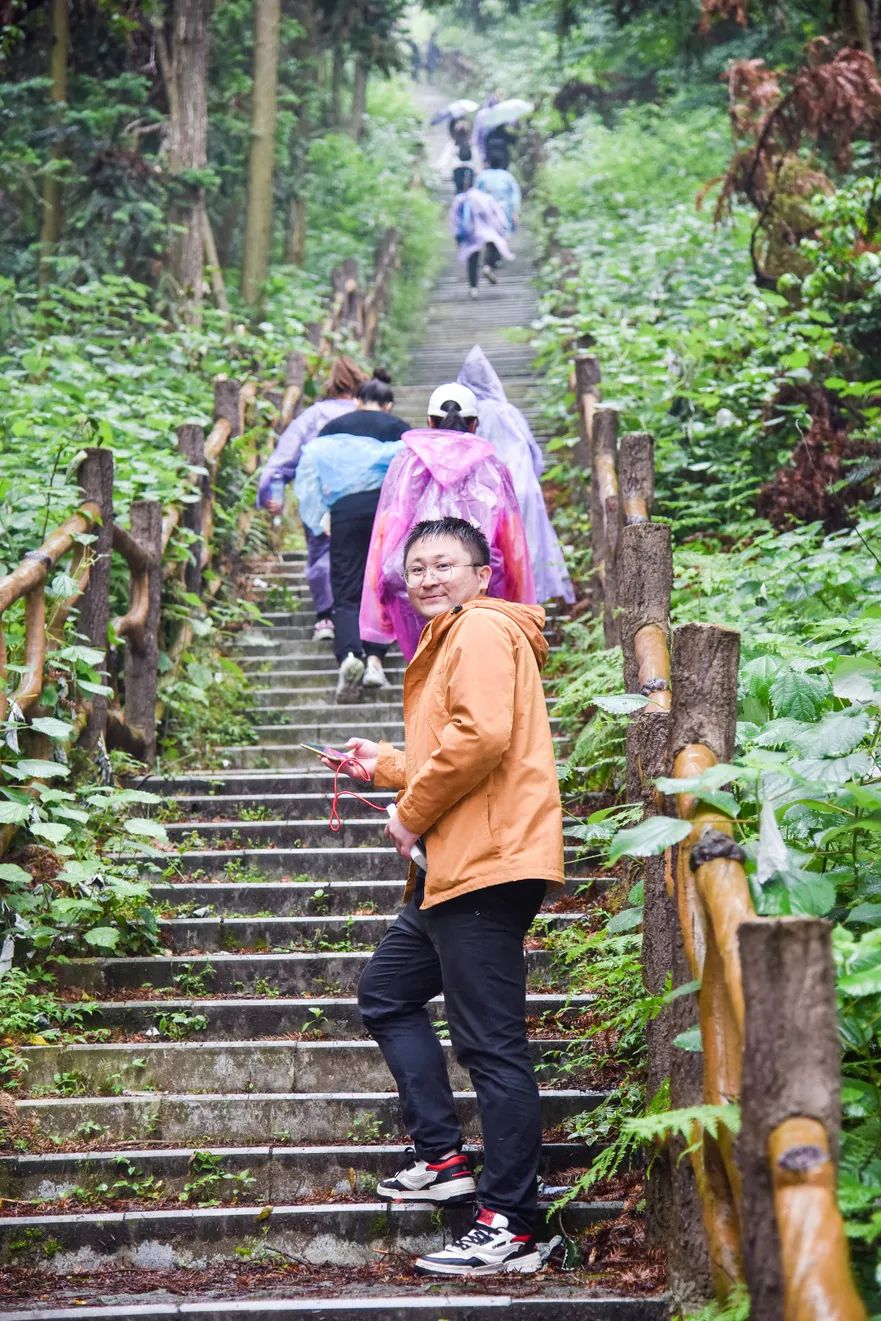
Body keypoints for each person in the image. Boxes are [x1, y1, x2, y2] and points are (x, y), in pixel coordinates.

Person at [333, 516, 564, 1277]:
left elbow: (481, 738)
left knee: (491, 1046)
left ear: (480, 573)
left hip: (487, 862)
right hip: (454, 868)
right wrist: (384, 764)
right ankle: (441, 1158)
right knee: (387, 994)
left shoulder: (480, 629)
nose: (428, 578)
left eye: (444, 564)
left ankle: (514, 1224)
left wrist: (409, 812)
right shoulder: (453, 637)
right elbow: (453, 745)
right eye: (417, 568)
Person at [359, 383, 535, 662]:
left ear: (430, 422)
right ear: (475, 424)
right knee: (474, 667)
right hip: (478, 585)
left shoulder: (405, 463)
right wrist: (517, 600)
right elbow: (512, 543)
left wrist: (379, 592)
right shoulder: (493, 467)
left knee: (428, 670)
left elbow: (386, 531)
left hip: (419, 586)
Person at [294, 371, 410, 701]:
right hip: (385, 513)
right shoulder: (399, 429)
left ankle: (348, 655)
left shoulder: (332, 429)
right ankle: (374, 660)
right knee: (382, 584)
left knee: (346, 589)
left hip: (344, 511)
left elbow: (310, 472)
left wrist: (320, 516)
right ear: (388, 405)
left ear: (357, 401)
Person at [257, 356, 367, 643]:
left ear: (330, 386)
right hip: (363, 497)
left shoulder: (313, 416)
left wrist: (272, 491)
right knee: (362, 554)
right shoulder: (367, 413)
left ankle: (325, 617)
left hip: (319, 497)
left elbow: (285, 457)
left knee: (321, 554)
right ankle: (363, 619)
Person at [457, 346, 574, 605]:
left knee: (490, 551)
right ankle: (526, 604)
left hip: (486, 490)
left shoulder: (471, 415)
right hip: (522, 487)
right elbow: (534, 454)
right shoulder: (509, 412)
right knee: (525, 548)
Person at [450, 168, 513, 300]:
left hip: (470, 235)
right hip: (487, 232)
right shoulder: (485, 197)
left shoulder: (459, 199)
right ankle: (488, 266)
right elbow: (497, 214)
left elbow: (455, 220)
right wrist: (504, 230)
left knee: (472, 259)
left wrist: (457, 237)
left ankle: (473, 287)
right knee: (494, 246)